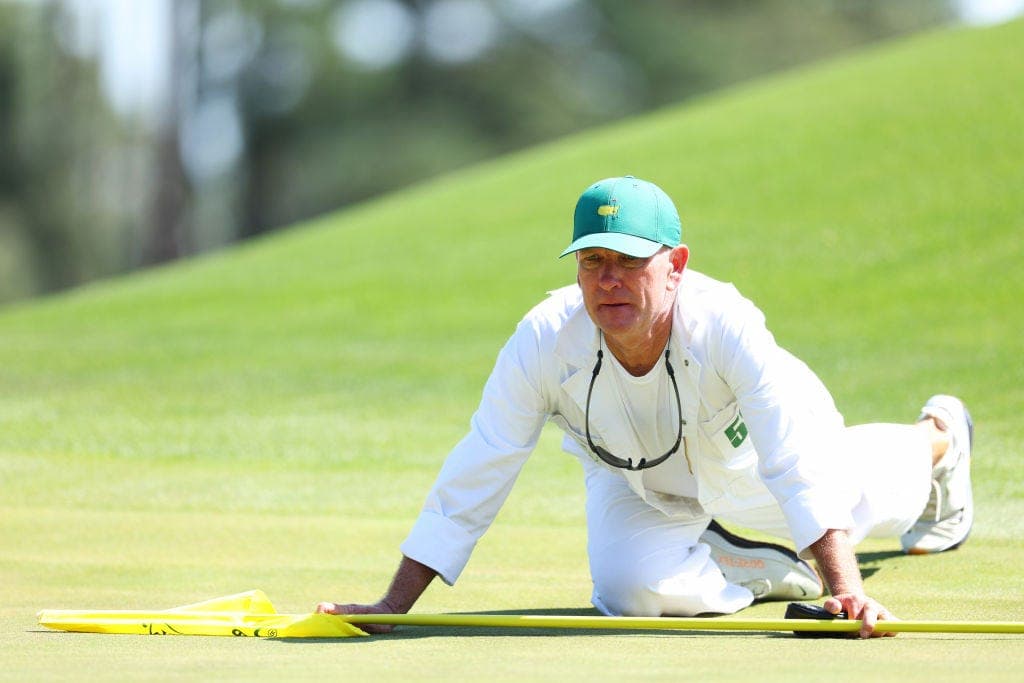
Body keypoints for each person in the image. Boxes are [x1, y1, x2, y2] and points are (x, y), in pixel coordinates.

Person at [317, 176, 974, 638]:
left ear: (675, 264)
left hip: (749, 457)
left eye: (629, 261)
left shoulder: (727, 323)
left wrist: (844, 590)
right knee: (629, 593)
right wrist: (392, 607)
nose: (607, 281)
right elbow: (481, 466)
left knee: (854, 502)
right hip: (632, 478)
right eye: (592, 261)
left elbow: (791, 459)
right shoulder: (544, 338)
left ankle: (940, 438)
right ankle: (748, 560)